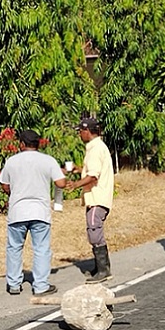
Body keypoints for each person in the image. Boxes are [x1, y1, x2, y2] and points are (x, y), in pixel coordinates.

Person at [0, 130, 66, 296]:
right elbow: (61, 183)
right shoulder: (48, 161)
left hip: (17, 212)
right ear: (39, 143)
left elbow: (5, 185)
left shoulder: (12, 161)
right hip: (40, 212)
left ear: (22, 144)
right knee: (41, 248)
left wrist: (14, 192)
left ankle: (14, 284)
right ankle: (41, 286)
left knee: (14, 248)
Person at [67, 117, 115, 283]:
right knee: (93, 231)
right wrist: (79, 170)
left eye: (80, 131)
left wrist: (76, 184)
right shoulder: (95, 147)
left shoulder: (95, 149)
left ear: (87, 131)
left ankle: (104, 269)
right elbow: (93, 170)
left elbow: (94, 176)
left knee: (94, 231)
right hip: (95, 197)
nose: (80, 134)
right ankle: (99, 267)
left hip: (97, 197)